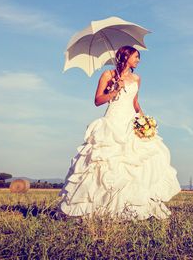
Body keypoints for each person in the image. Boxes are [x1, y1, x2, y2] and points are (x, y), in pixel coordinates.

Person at [58, 46, 180, 220]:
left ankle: (132, 207)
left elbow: (135, 103)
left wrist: (144, 120)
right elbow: (98, 100)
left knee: (137, 162)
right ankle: (99, 207)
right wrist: (114, 90)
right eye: (136, 57)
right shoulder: (108, 75)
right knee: (106, 163)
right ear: (126, 56)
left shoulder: (137, 78)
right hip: (113, 121)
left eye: (138, 57)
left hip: (130, 122)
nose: (138, 60)